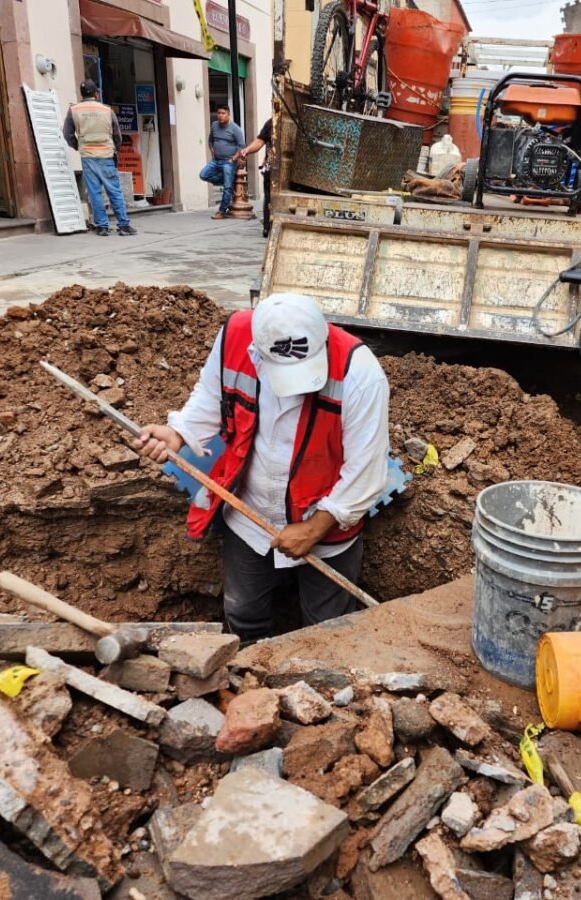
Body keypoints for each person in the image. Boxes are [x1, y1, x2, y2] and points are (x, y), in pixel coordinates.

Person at [135, 293, 390, 642]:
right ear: (259, 352)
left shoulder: (359, 374)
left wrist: (316, 527)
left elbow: (367, 470)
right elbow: (212, 395)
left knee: (328, 627)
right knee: (243, 612)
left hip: (328, 523)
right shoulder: (236, 337)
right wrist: (179, 432)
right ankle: (249, 675)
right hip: (250, 513)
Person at [63, 80, 137, 237]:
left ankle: (102, 226)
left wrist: (78, 146)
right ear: (96, 93)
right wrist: (114, 149)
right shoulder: (106, 110)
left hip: (88, 156)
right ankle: (123, 225)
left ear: (82, 94)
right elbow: (117, 134)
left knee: (94, 192)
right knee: (114, 191)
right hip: (106, 155)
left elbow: (67, 134)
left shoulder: (74, 110)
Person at [200, 104, 245, 220]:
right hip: (216, 160)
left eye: (223, 113)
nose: (220, 116)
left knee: (227, 188)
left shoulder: (235, 129)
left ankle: (222, 211)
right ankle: (227, 181)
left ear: (228, 115)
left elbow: (241, 146)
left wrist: (233, 159)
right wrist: (212, 151)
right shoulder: (214, 125)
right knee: (203, 174)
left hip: (228, 162)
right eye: (218, 113)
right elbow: (210, 140)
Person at [233, 117, 272, 236]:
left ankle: (269, 225)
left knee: (270, 197)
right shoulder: (271, 123)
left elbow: (260, 142)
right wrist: (247, 150)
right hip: (272, 169)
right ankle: (267, 226)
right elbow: (259, 142)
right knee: (269, 197)